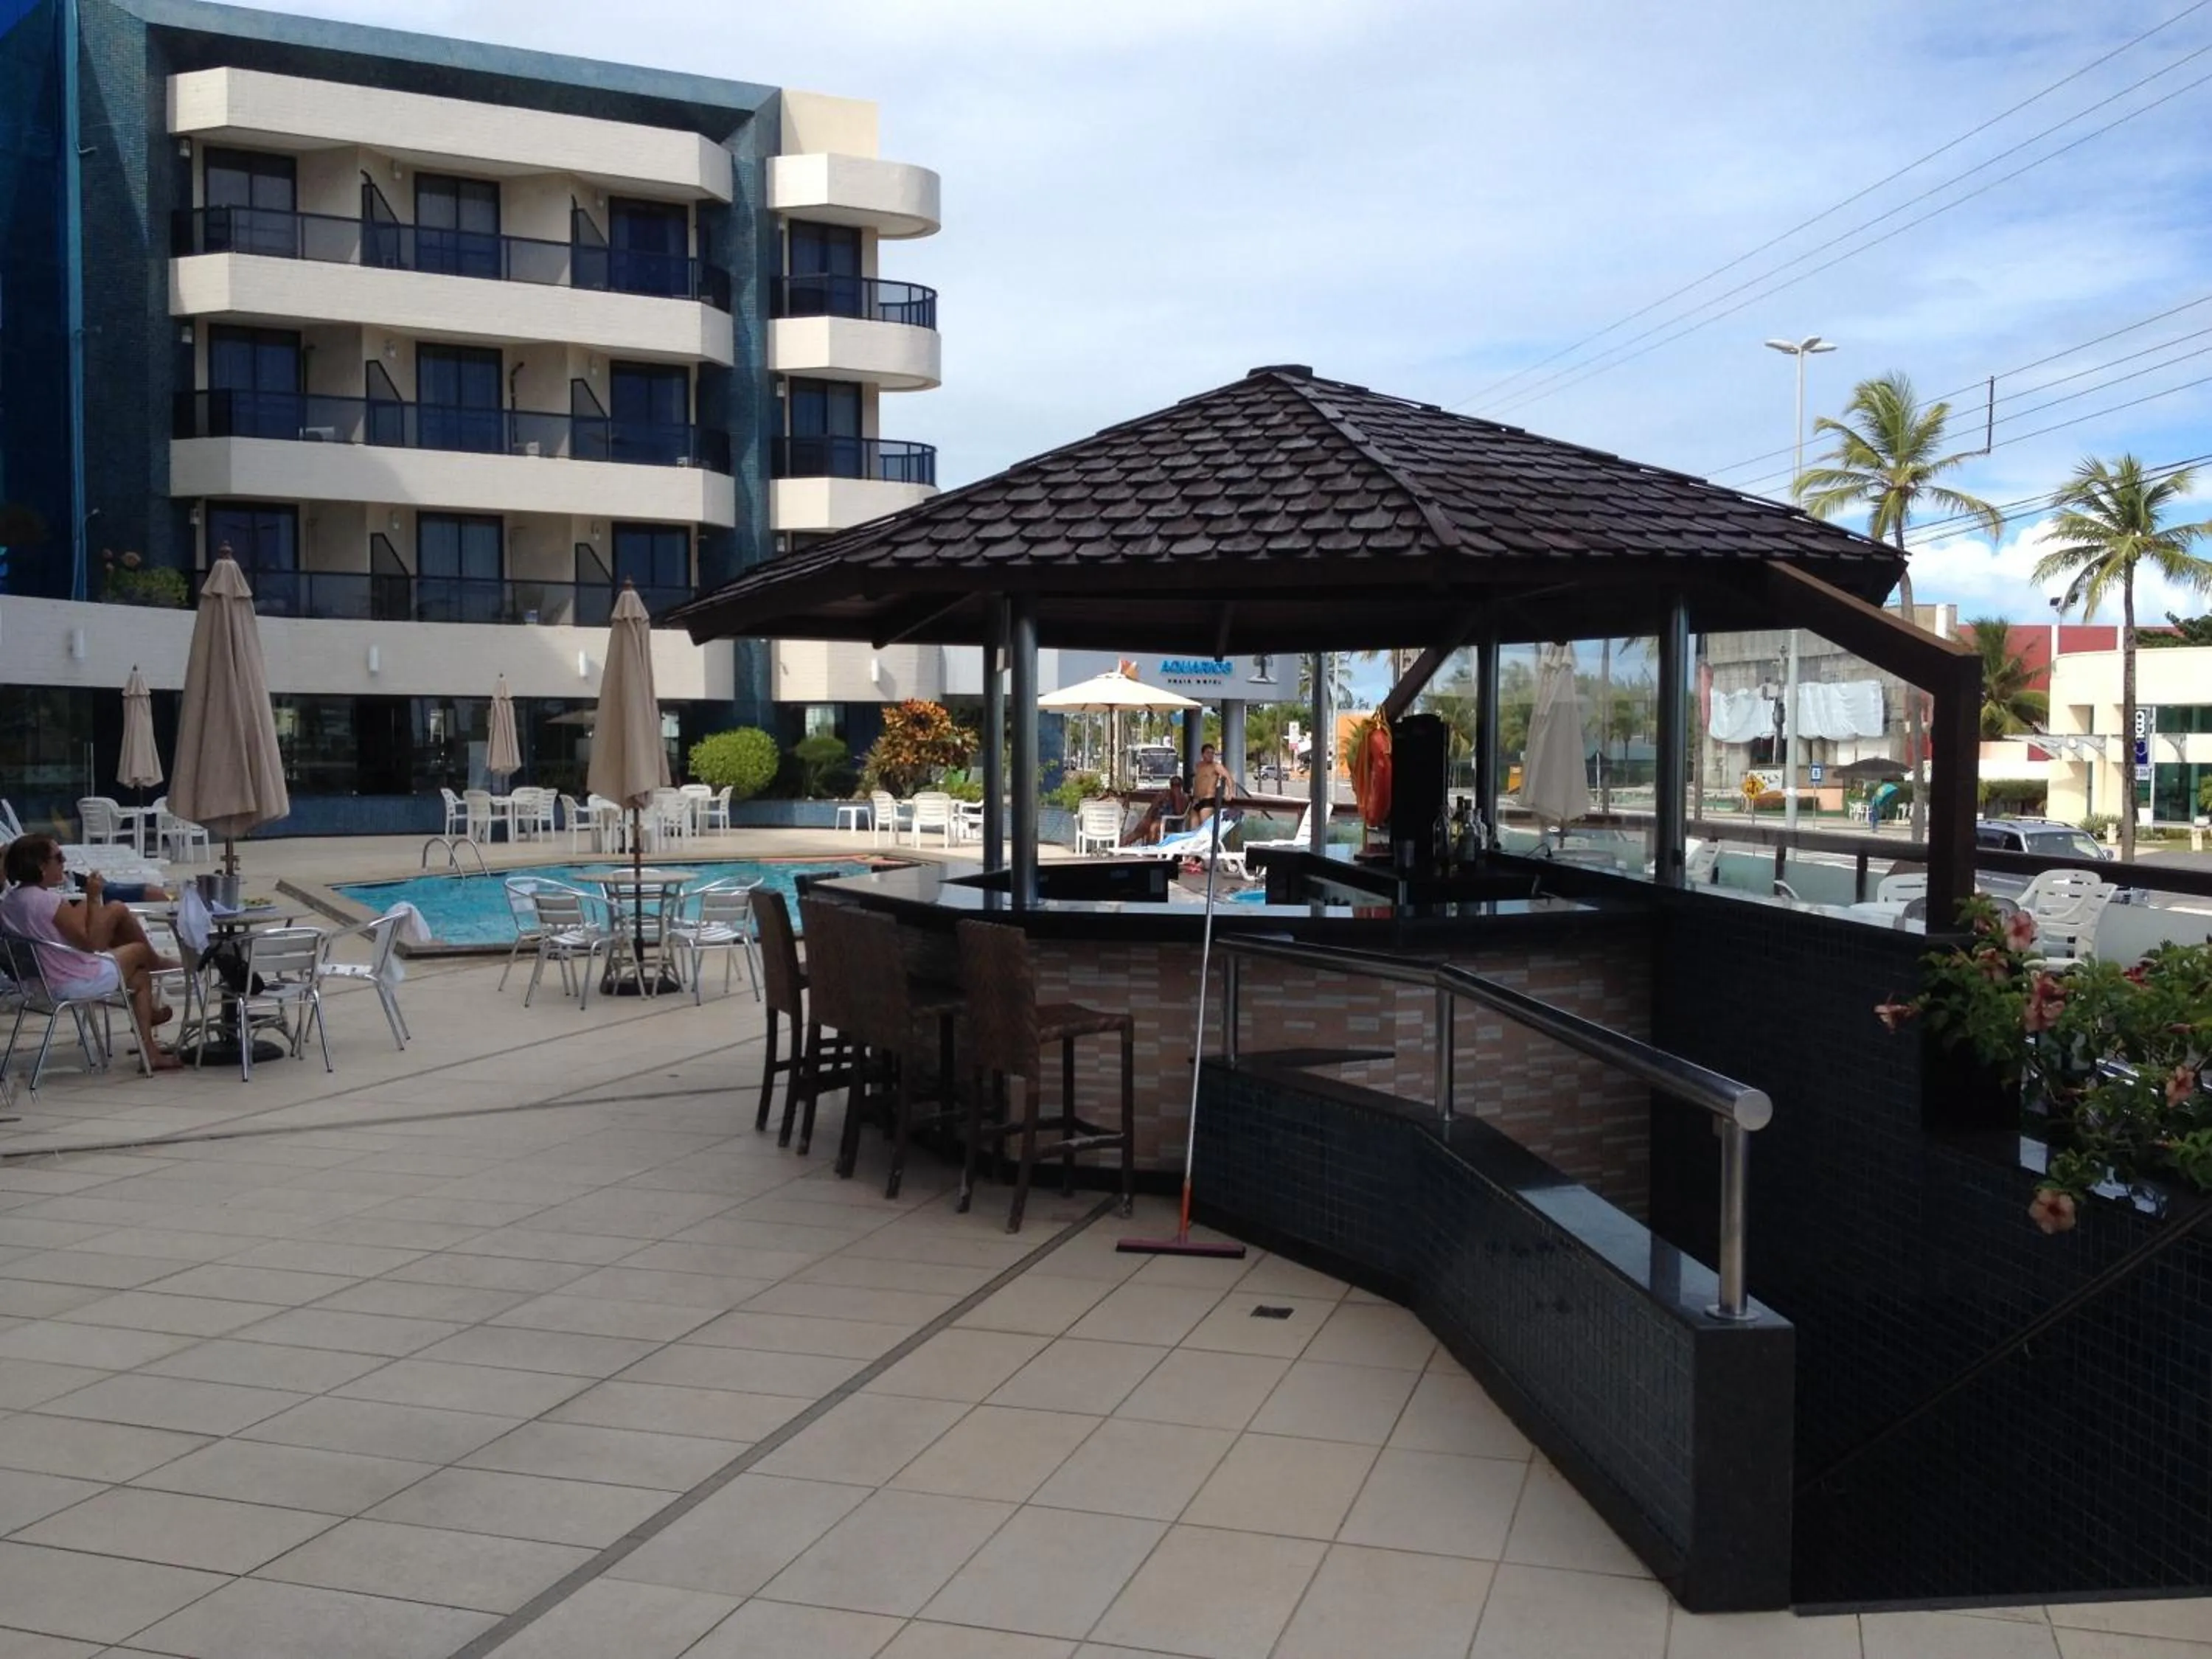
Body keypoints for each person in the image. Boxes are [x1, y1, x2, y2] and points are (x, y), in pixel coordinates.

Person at [0, 835, 181, 1072]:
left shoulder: (10, 902)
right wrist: (93, 897)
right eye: (59, 858)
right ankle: (156, 970)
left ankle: (150, 1052)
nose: (64, 863)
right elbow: (92, 944)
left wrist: (88, 906)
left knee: (139, 977)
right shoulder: (50, 902)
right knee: (137, 948)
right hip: (71, 981)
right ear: (42, 866)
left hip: (37, 984)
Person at [1132, 776, 1192, 845]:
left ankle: (1150, 847)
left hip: (1171, 822)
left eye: (1177, 785)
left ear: (1181, 786)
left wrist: (1177, 797)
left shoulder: (1184, 797)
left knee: (1153, 826)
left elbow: (1179, 813)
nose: (1175, 787)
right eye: (1173, 785)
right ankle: (1125, 843)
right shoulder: (1165, 794)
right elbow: (1152, 809)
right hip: (1157, 818)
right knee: (1142, 827)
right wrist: (1159, 800)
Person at [1190, 743, 1239, 825]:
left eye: (1212, 753)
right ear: (1203, 754)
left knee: (1205, 827)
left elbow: (1229, 777)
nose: (1211, 755)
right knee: (1193, 827)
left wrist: (1231, 793)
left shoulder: (1216, 766)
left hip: (1207, 801)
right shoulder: (1198, 765)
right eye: (1208, 753)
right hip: (1196, 800)